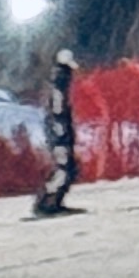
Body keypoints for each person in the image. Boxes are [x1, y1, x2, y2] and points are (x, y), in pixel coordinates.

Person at [30, 48, 79, 217]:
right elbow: (57, 112)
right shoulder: (58, 86)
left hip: (59, 131)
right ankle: (47, 204)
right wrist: (62, 133)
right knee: (64, 168)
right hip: (59, 132)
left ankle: (53, 202)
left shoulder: (57, 85)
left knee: (67, 168)